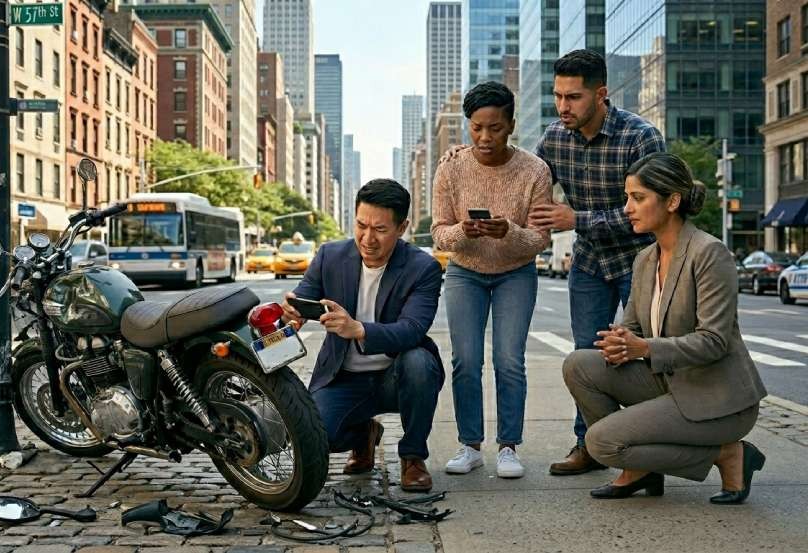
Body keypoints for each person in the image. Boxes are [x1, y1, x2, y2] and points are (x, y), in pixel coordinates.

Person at [563, 152, 767, 503]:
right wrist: (619, 343)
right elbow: (634, 329)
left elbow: (714, 341)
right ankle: (641, 469)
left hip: (716, 397)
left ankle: (728, 455)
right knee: (579, 365)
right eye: (627, 197)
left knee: (601, 443)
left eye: (638, 198)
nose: (627, 207)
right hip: (669, 381)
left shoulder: (709, 253)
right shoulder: (645, 258)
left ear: (672, 201)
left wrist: (644, 349)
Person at [529, 49, 666, 476]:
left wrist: (577, 218)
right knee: (585, 358)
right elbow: (526, 186)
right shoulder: (553, 139)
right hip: (589, 264)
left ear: (601, 93)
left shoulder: (640, 137)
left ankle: (649, 448)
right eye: (558, 96)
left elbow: (651, 213)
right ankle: (589, 444)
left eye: (573, 97)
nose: (563, 107)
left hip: (639, 262)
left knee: (640, 357)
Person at [281, 179, 444, 492]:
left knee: (420, 362)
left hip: (398, 375)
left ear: (402, 227)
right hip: (343, 377)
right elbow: (304, 297)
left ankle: (412, 457)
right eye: (361, 225)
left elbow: (413, 329)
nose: (368, 239)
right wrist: (292, 311)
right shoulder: (330, 256)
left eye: (380, 229)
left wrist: (357, 329)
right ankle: (365, 435)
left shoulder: (423, 267)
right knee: (315, 435)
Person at [431, 81, 552, 478]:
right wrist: (464, 230)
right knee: (466, 360)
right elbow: (438, 232)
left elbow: (539, 239)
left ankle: (508, 447)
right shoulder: (450, 166)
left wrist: (510, 233)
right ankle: (469, 445)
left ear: (511, 124)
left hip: (515, 273)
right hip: (465, 271)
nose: (484, 137)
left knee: (508, 360)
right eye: (476, 127)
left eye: (495, 128)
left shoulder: (535, 171)